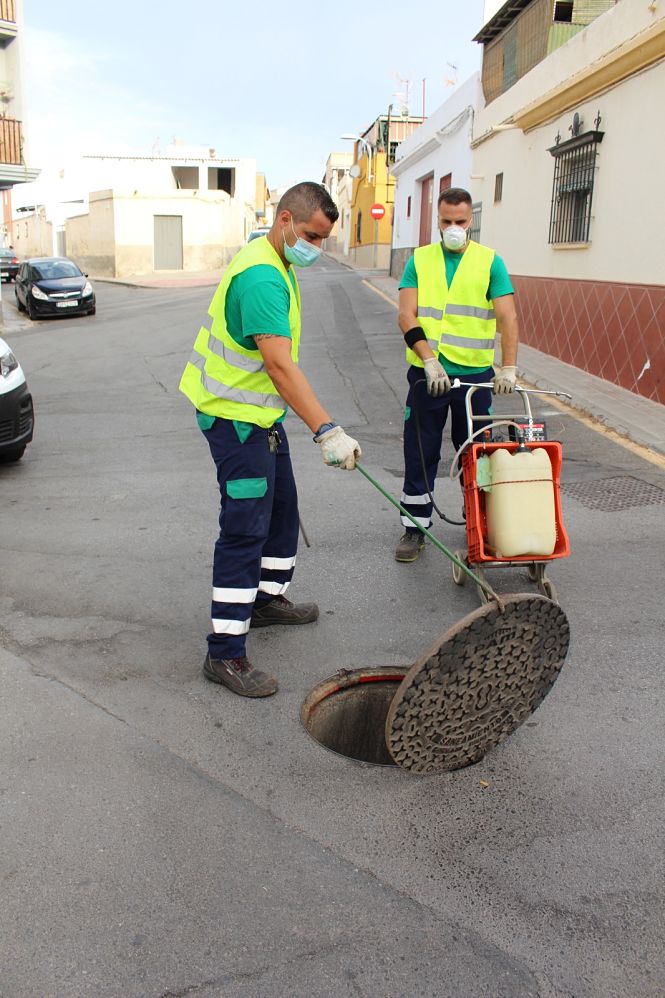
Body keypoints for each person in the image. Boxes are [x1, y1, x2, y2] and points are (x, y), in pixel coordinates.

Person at [180, 181, 361, 697]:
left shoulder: (276, 258)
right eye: (310, 236)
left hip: (257, 415)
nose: (315, 249)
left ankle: (263, 600)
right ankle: (225, 653)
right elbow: (279, 365)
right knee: (244, 530)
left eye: (323, 240)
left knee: (283, 509)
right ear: (284, 219)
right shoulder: (262, 276)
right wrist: (327, 429)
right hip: (235, 421)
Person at [394, 186, 519, 563]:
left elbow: (507, 317)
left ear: (471, 221)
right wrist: (428, 359)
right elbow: (406, 314)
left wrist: (509, 366)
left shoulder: (490, 261)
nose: (453, 228)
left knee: (477, 454)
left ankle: (479, 526)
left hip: (475, 379)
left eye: (460, 222)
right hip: (427, 375)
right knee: (420, 452)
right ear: (437, 221)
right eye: (446, 221)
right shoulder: (419, 259)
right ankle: (414, 529)